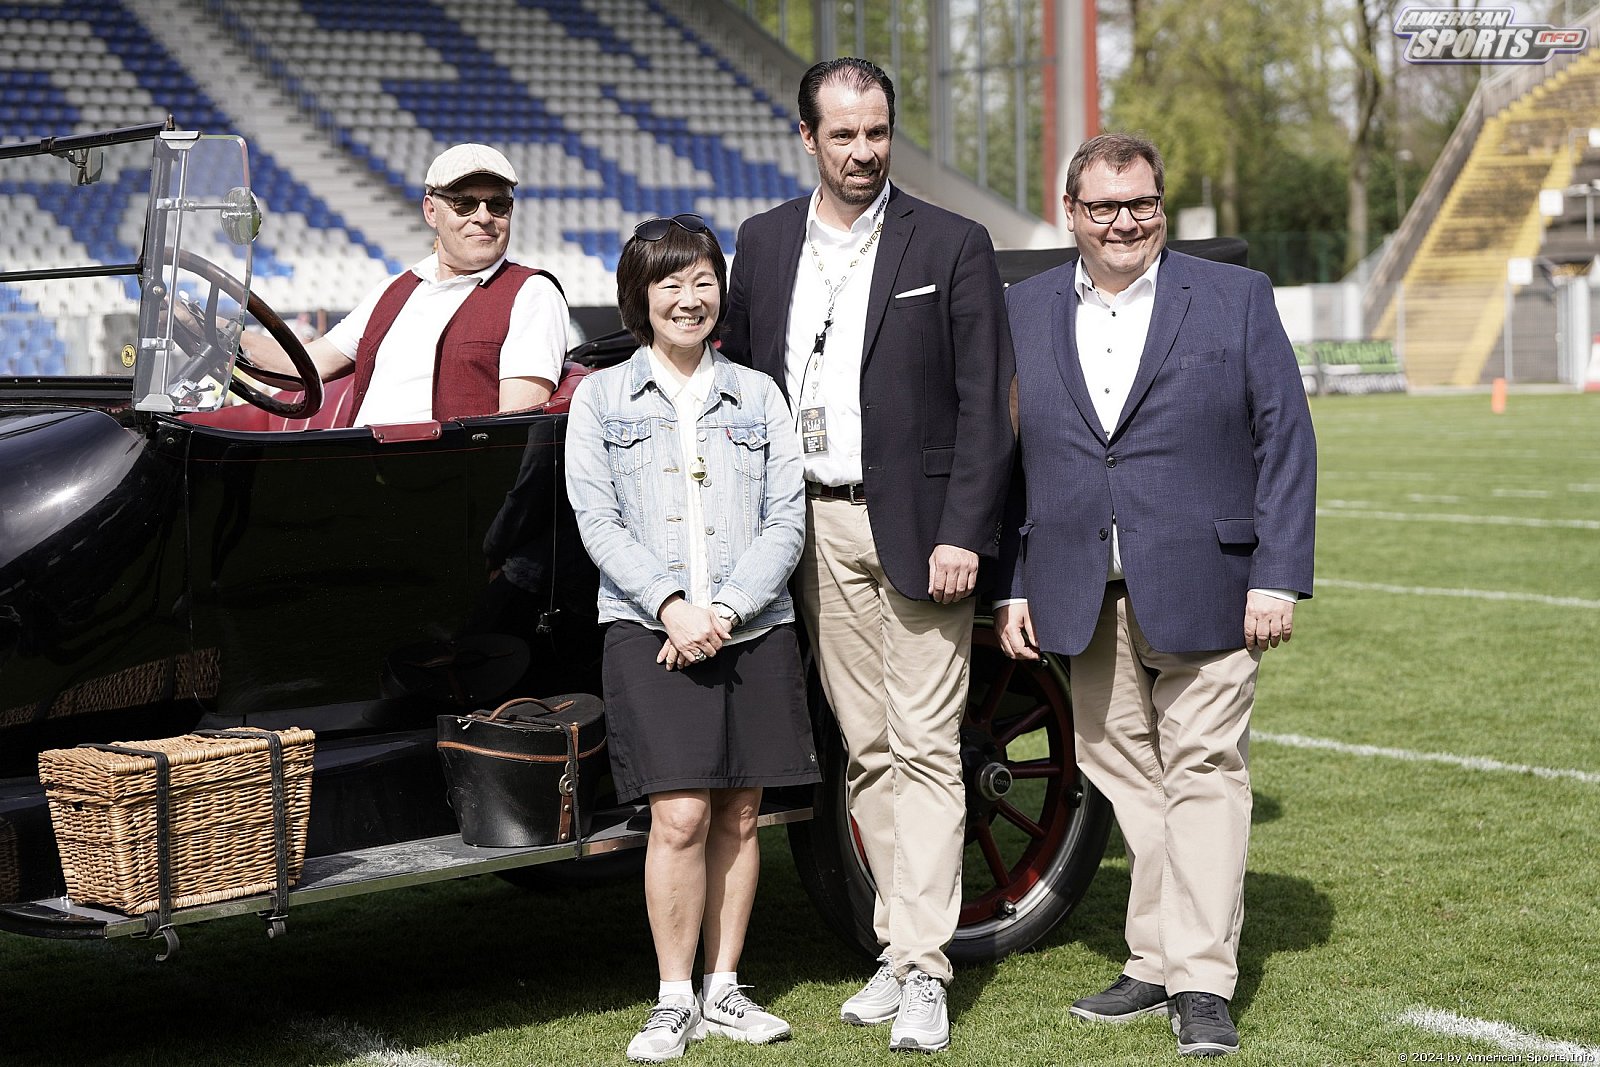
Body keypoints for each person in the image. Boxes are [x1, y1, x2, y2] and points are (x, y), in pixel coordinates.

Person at [994, 133, 1317, 1058]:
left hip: (1213, 580)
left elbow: (1285, 437)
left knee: (1204, 771)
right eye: (1104, 206)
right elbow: (1009, 462)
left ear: (1161, 205)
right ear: (1071, 213)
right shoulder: (1023, 308)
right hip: (1080, 588)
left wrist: (1276, 573)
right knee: (1122, 770)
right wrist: (1014, 585)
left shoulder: (1234, 295)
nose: (1125, 221)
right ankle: (1154, 954)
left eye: (1141, 202)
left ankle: (1201, 979)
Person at [720, 57, 1015, 1054]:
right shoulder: (762, 241)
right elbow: (741, 382)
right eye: (842, 134)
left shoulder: (953, 240)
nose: (863, 151)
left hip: (923, 530)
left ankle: (924, 966)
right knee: (869, 747)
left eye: (877, 132)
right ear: (806, 137)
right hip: (809, 527)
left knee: (926, 745)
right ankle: (898, 945)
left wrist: (963, 530)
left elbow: (987, 405)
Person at [564, 214, 820, 1064]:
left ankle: (726, 986)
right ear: (638, 295)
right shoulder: (601, 398)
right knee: (678, 815)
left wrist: (727, 611)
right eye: (669, 282)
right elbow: (596, 518)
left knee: (741, 814)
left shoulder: (759, 394)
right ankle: (674, 995)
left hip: (754, 627)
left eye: (703, 279)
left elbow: (787, 520)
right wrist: (673, 605)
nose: (688, 297)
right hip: (649, 629)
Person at [240, 143, 568, 427]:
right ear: (431, 211)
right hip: (361, 463)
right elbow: (305, 366)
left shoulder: (531, 293)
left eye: (498, 205)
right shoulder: (394, 290)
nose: (483, 217)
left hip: (445, 472)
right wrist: (223, 332)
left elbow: (516, 428)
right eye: (464, 203)